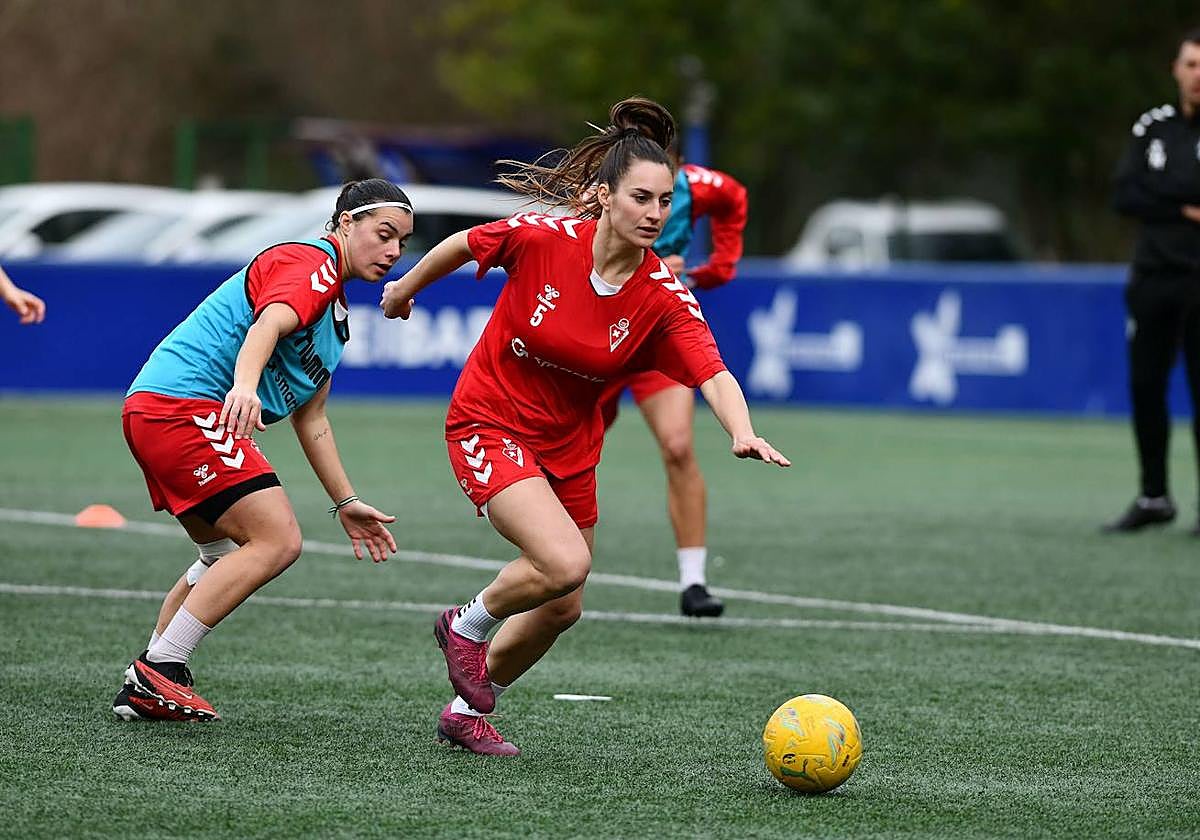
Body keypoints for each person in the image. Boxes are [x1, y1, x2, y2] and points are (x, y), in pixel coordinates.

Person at [380, 97, 789, 756]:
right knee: (563, 561)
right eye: (641, 198)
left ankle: (465, 711)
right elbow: (463, 243)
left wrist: (740, 429)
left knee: (563, 603)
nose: (655, 214)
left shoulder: (662, 295)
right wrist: (404, 289)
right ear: (603, 197)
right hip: (488, 420)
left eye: (664, 202)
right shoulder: (545, 237)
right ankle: (466, 623)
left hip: (569, 449)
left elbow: (713, 371)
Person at [111, 178, 408, 721]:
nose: (392, 251)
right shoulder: (311, 262)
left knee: (221, 555)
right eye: (383, 234)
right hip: (181, 407)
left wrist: (346, 502)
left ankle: (148, 679)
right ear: (345, 224)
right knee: (277, 539)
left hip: (159, 411)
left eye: (401, 244)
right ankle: (161, 670)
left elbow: (312, 416)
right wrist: (243, 388)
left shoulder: (334, 324)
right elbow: (268, 324)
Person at [598, 157, 748, 617]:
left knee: (679, 445)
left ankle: (694, 581)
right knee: (572, 445)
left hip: (653, 331)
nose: (654, 208)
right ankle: (550, 562)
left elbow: (734, 198)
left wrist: (721, 265)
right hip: (591, 332)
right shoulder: (599, 188)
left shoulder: (694, 183)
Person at [1106, 29, 1200, 533]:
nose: (1197, 75)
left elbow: (1150, 193)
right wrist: (1185, 207)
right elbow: (1125, 195)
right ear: (1175, 69)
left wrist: (1163, 199)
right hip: (1154, 279)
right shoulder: (1153, 126)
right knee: (1146, 386)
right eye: (1190, 64)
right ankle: (1154, 496)